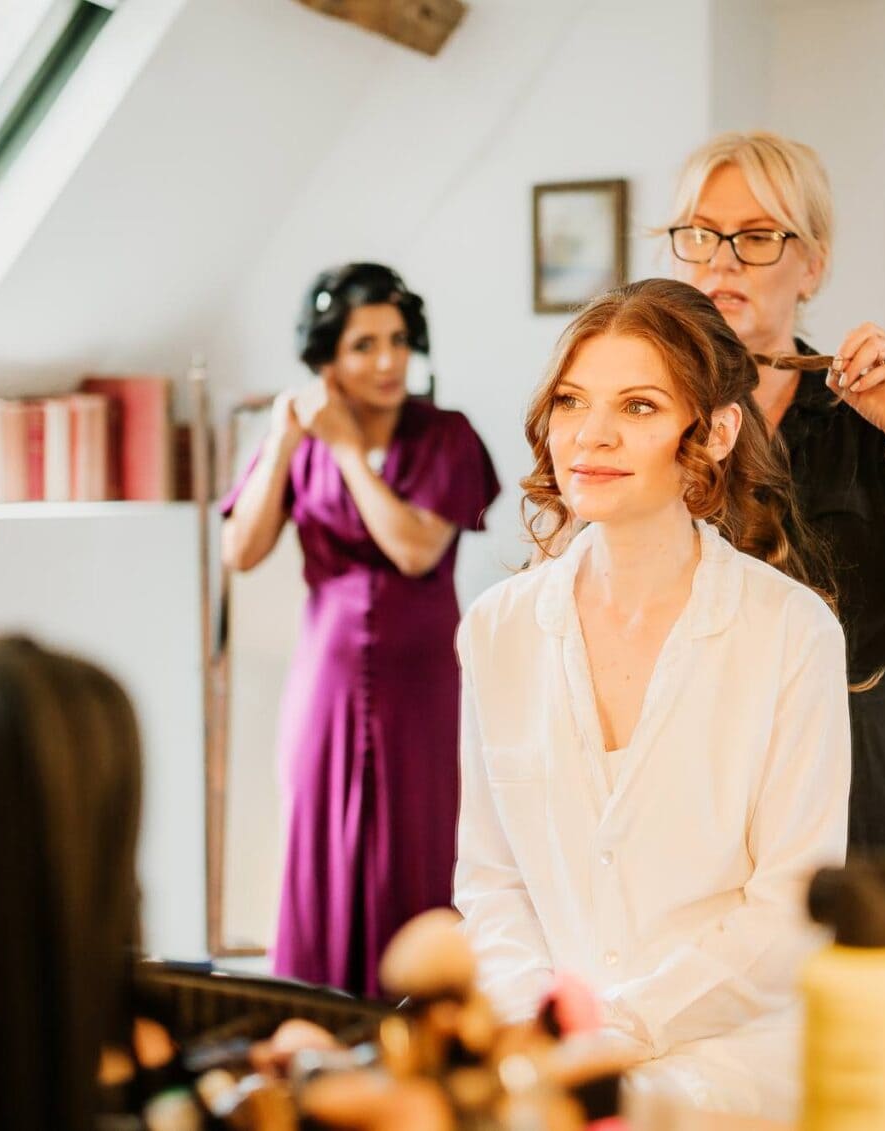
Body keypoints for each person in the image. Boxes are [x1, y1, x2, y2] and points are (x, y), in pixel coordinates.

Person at [454, 278, 850, 1120]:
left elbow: (789, 912)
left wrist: (612, 1031)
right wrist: (539, 1025)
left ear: (711, 432)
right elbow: (492, 882)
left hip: (729, 1056)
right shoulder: (498, 631)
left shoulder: (790, 633)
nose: (590, 436)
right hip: (544, 1052)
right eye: (571, 401)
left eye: (637, 406)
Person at [665, 132, 885, 963]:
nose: (723, 261)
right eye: (699, 234)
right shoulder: (649, 415)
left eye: (756, 236)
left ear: (810, 264)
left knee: (873, 1052)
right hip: (696, 776)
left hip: (862, 775)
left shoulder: (869, 417)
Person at [221, 262, 500, 997]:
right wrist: (284, 442)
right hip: (327, 676)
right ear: (325, 360)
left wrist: (346, 448)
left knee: (422, 834)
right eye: (364, 345)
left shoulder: (446, 435)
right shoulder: (301, 439)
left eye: (399, 341)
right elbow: (239, 550)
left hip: (425, 678)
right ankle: (318, 1012)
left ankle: (419, 1010)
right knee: (320, 841)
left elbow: (414, 547)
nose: (387, 361)